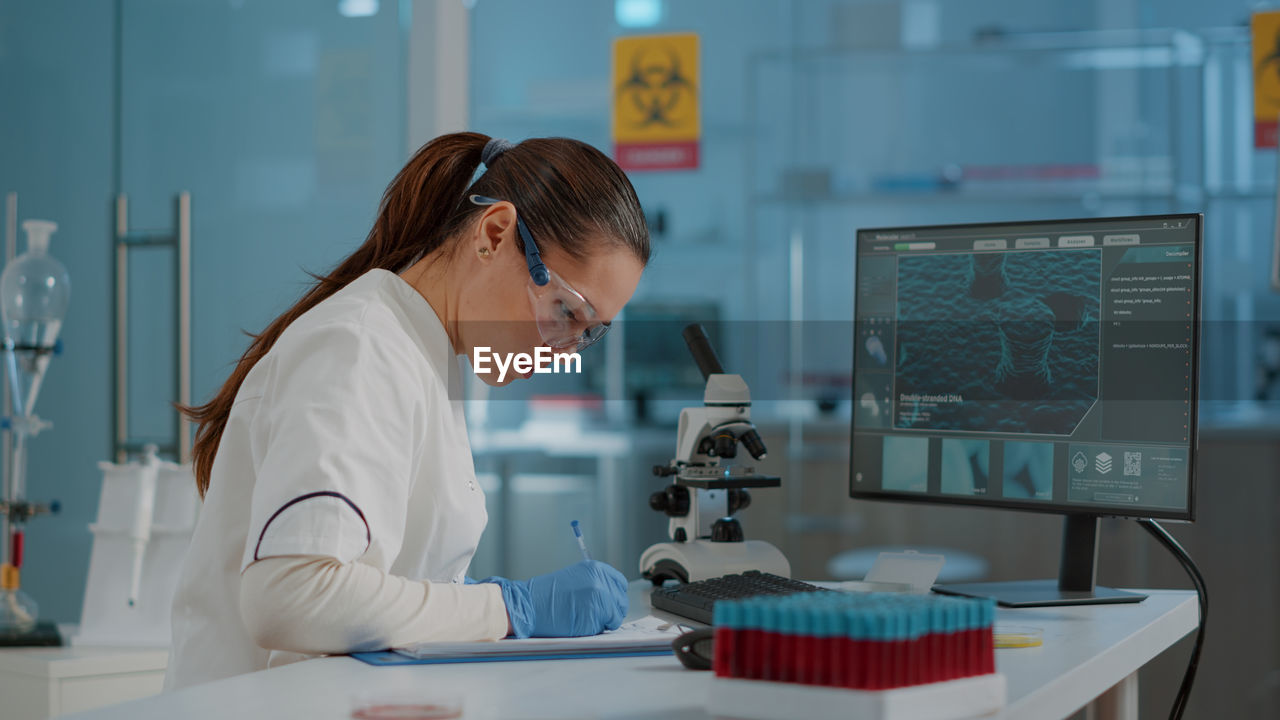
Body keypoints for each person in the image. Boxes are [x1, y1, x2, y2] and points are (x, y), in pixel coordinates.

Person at [165, 133, 650, 689]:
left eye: (587, 334)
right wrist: (509, 610)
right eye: (565, 310)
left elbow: (369, 588)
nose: (562, 349)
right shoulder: (360, 346)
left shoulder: (424, 352)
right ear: (494, 234)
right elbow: (289, 594)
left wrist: (467, 605)